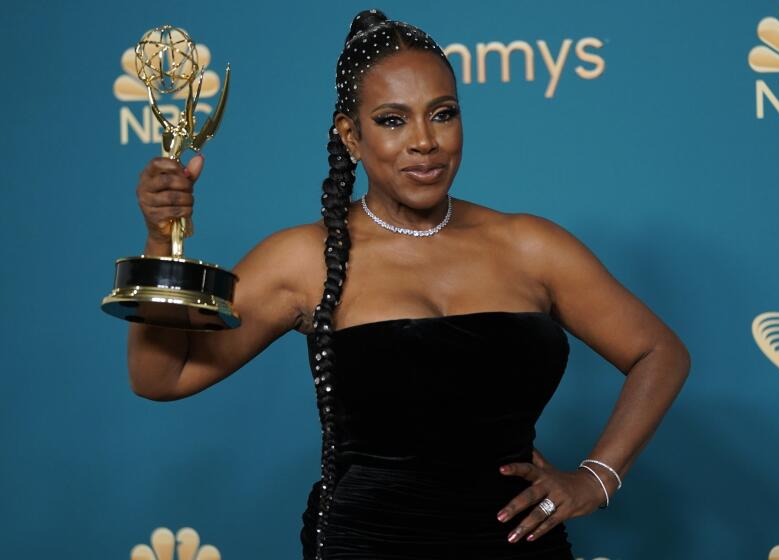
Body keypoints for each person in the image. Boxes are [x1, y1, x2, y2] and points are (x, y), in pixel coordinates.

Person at [128, 9, 691, 560]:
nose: (425, 141)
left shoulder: (531, 246)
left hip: (517, 544)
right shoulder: (303, 260)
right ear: (351, 135)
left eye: (442, 114)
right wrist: (160, 239)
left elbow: (658, 352)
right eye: (393, 120)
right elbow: (163, 375)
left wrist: (597, 477)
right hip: (364, 544)